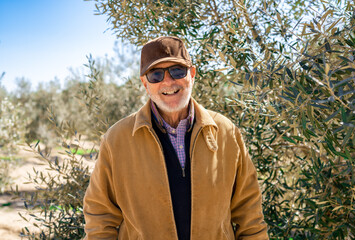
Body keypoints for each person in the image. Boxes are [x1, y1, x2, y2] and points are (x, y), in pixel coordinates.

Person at [83, 36, 268, 240]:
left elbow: (250, 215)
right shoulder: (116, 140)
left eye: (177, 71)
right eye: (156, 75)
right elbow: (99, 217)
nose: (168, 81)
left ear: (192, 74)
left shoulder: (226, 132)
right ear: (145, 83)